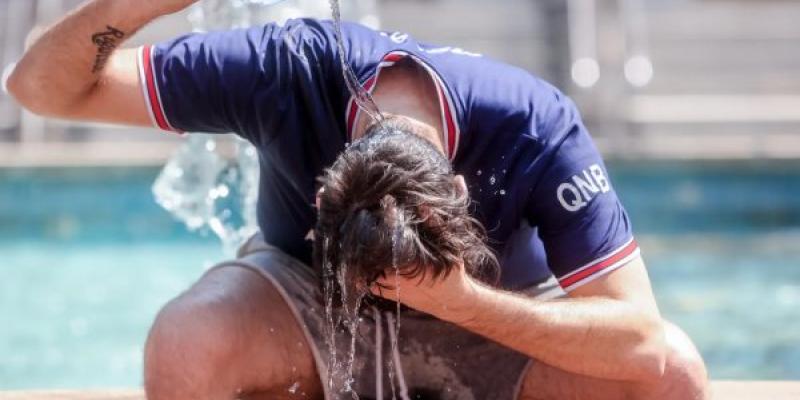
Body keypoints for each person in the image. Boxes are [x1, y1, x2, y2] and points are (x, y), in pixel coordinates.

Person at [8, 0, 709, 399]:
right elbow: (38, 89)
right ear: (325, 196)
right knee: (188, 340)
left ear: (459, 193)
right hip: (307, 302)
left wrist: (464, 300)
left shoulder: (535, 125)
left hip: (495, 314)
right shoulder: (279, 69)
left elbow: (644, 340)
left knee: (674, 375)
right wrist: (133, 7)